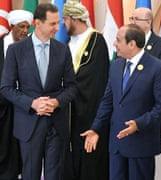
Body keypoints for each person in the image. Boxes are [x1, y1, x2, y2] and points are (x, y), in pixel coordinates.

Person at [81, 24, 161, 180]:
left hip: (141, 144)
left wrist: (139, 124)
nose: (114, 44)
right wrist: (96, 128)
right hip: (116, 144)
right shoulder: (116, 66)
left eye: (118, 40)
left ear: (132, 44)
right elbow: (107, 101)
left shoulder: (157, 68)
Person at [0, 3, 77, 180]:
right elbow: (6, 88)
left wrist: (56, 102)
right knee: (30, 175)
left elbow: (72, 87)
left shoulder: (62, 49)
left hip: (56, 125)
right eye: (52, 24)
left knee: (55, 175)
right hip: (29, 124)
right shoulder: (15, 50)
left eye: (58, 23)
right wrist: (32, 103)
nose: (58, 28)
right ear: (37, 23)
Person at [62, 1, 109, 180]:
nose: (63, 23)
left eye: (65, 19)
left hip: (88, 116)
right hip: (69, 116)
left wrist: (65, 90)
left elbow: (93, 81)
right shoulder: (68, 42)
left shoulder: (96, 41)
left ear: (75, 19)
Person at [0, 9, 33, 180]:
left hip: (24, 110)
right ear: (12, 26)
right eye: (22, 26)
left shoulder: (31, 48)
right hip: (0, 113)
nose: (26, 31)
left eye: (28, 27)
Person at [130, 7, 161, 130]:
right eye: (131, 18)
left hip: (148, 108)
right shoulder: (126, 42)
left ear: (148, 22)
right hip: (126, 106)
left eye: (136, 19)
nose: (132, 22)